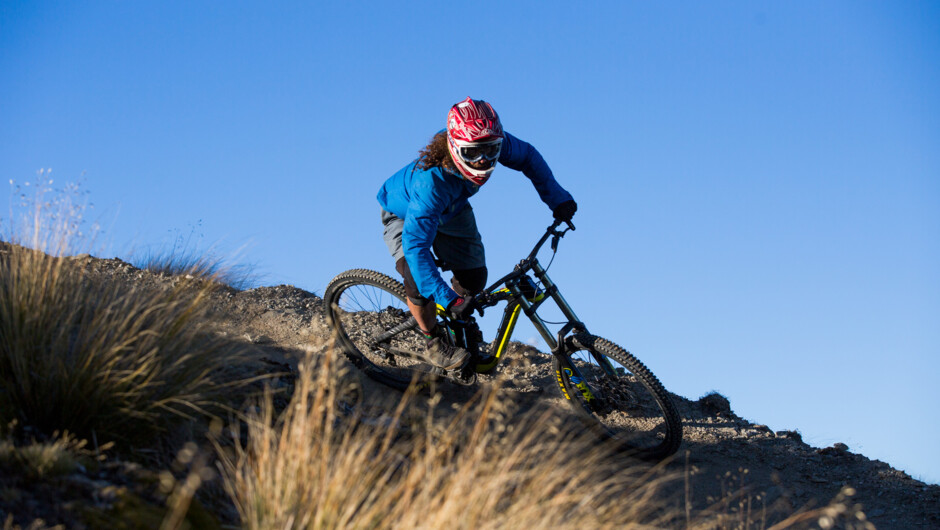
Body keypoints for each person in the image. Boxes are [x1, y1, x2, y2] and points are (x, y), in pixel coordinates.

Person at [376, 97, 577, 370]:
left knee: (474, 277)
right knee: (414, 276)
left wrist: (557, 199)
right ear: (455, 146)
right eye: (472, 153)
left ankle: (458, 323)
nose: (483, 160)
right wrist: (448, 298)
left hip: (453, 208)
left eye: (491, 150)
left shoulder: (486, 138)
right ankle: (433, 341)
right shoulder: (430, 184)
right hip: (406, 213)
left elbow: (527, 156)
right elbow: (416, 248)